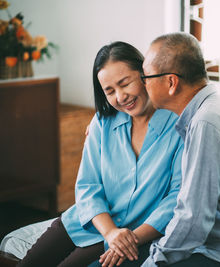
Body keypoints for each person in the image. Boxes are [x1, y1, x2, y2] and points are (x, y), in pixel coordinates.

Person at [17, 41, 183, 267]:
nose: (120, 96)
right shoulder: (102, 122)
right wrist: (111, 232)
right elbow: (87, 186)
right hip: (87, 221)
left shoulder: (179, 127)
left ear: (144, 74)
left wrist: (127, 238)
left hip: (132, 233)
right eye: (110, 91)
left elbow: (176, 197)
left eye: (125, 83)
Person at [139, 32, 220, 266]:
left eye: (146, 76)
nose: (143, 83)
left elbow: (193, 217)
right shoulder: (209, 111)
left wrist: (154, 261)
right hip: (209, 247)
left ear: (171, 82)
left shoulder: (207, 122)